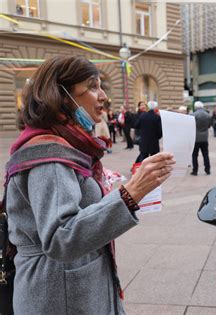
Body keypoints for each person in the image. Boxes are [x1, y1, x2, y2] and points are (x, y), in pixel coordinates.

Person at [4, 55, 175, 314]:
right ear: (62, 96)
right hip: (59, 296)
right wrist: (131, 193)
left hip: (69, 290)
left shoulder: (65, 148)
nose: (103, 95)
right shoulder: (49, 155)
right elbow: (61, 237)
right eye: (93, 86)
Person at [190, 101, 212, 175]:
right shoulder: (207, 115)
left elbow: (191, 125)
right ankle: (207, 169)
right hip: (204, 138)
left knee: (194, 155)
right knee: (205, 154)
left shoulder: (193, 115)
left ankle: (195, 170)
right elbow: (209, 125)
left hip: (195, 138)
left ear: (196, 107)